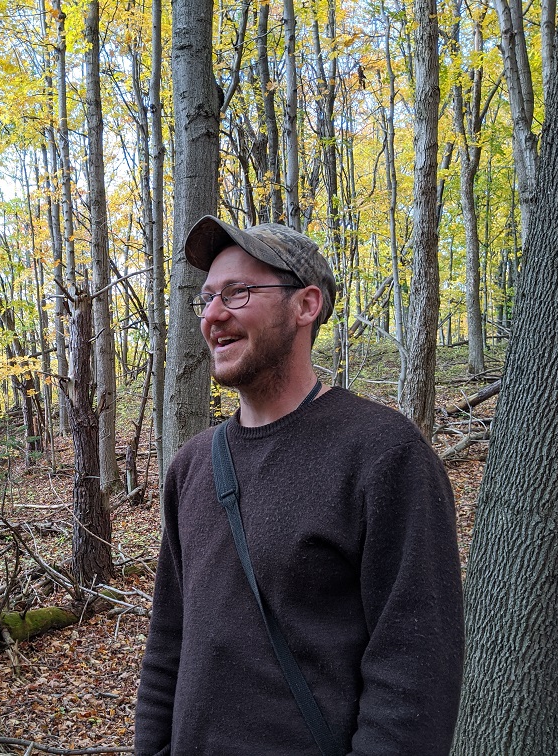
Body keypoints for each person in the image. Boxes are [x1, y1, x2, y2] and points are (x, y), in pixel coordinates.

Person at [134, 216, 464, 755]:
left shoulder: (384, 453)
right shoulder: (192, 466)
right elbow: (169, 643)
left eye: (238, 293)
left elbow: (415, 667)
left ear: (305, 306)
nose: (213, 315)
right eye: (208, 297)